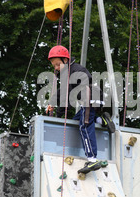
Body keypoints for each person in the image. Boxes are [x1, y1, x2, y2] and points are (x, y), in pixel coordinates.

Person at [46, 45, 115, 174]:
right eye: (53, 66)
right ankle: (102, 120)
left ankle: (92, 159)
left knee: (84, 125)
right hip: (94, 97)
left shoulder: (74, 71)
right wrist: (53, 102)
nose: (55, 68)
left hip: (89, 98)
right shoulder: (70, 71)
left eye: (57, 64)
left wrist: (58, 116)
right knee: (76, 120)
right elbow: (63, 92)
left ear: (65, 60)